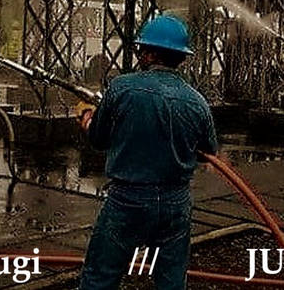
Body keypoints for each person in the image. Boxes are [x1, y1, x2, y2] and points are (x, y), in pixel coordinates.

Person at [76, 14, 218, 290]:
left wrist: (88, 119)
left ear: (150, 53)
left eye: (142, 49)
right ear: (182, 57)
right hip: (175, 203)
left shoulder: (121, 87)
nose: (140, 54)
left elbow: (99, 140)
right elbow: (206, 152)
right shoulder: (198, 102)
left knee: (100, 277)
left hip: (127, 200)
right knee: (171, 281)